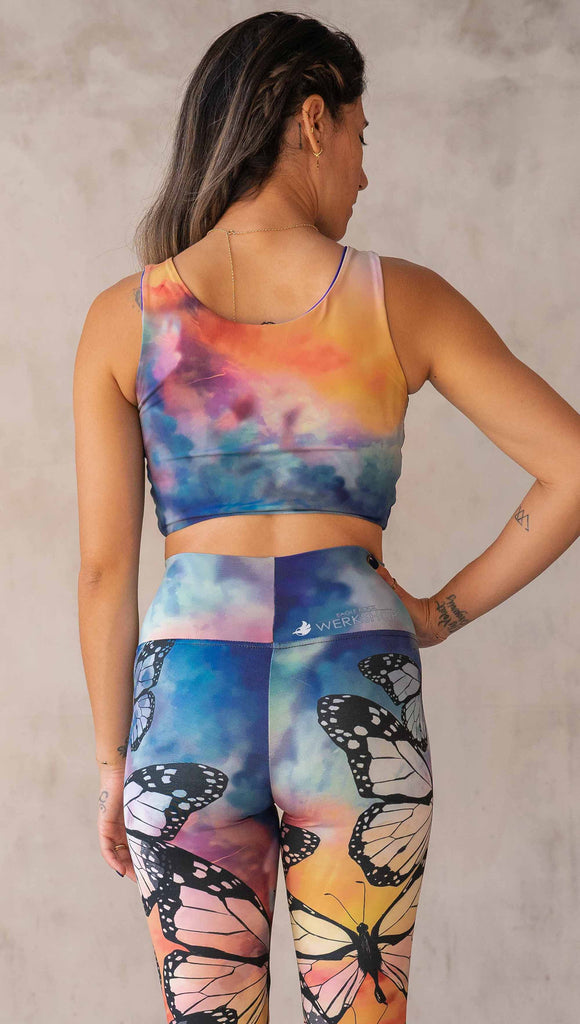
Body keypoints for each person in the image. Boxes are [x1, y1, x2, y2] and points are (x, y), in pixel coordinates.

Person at [73, 11, 580, 1024]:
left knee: (208, 1009)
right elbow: (569, 466)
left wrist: (110, 765)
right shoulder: (403, 300)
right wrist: (438, 613)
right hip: (350, 671)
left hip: (189, 701)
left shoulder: (123, 318)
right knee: (361, 1001)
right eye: (359, 135)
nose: (363, 171)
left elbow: (102, 571)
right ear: (313, 119)